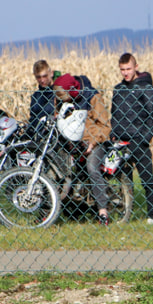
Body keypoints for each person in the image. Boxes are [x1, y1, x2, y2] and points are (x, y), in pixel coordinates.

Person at [52, 73, 113, 225]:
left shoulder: (92, 97)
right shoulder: (60, 99)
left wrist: (93, 142)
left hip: (93, 141)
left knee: (92, 167)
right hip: (71, 141)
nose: (61, 101)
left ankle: (103, 212)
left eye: (63, 97)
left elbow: (105, 126)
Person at [111, 53, 153, 225]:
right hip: (120, 141)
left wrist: (145, 138)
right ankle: (126, 214)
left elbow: (152, 115)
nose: (125, 73)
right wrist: (113, 135)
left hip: (139, 140)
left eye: (128, 69)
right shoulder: (118, 89)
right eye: (122, 69)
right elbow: (114, 114)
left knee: (147, 179)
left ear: (136, 67)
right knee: (124, 180)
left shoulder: (145, 88)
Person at [29, 60, 61, 138]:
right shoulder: (36, 96)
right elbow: (32, 118)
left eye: (45, 76)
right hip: (39, 138)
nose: (42, 80)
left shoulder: (59, 93)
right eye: (38, 77)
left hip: (56, 137)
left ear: (51, 73)